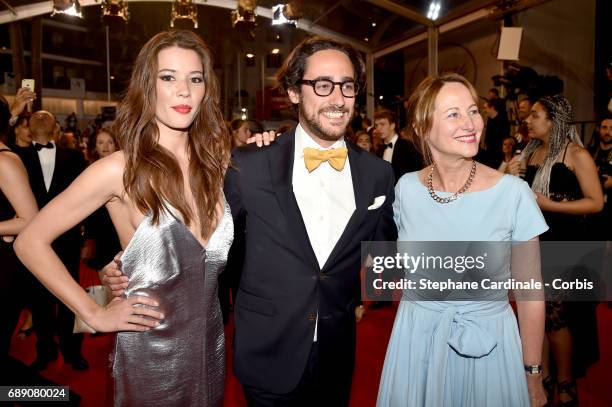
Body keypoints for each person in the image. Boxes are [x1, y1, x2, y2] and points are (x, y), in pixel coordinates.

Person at [106, 35, 397, 407]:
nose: (337, 99)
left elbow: (385, 258)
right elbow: (206, 243)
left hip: (336, 353)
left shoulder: (379, 175)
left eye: (347, 86)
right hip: (267, 349)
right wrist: (130, 264)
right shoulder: (249, 165)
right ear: (294, 92)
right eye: (322, 85)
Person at [15, 29, 233, 406]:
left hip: (210, 346)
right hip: (150, 349)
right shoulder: (119, 169)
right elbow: (30, 242)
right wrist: (94, 315)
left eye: (195, 79)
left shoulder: (217, 165)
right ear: (148, 87)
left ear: (206, 90)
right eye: (168, 77)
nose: (184, 90)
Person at [377, 73, 548, 407]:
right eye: (453, 113)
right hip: (415, 342)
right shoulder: (406, 189)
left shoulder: (512, 194)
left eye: (472, 111)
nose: (471, 122)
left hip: (489, 349)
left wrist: (532, 373)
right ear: (424, 127)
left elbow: (530, 293)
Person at [508, 95, 604, 405]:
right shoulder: (532, 153)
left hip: (567, 243)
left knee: (557, 315)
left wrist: (551, 204)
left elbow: (596, 202)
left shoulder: (576, 154)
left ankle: (566, 383)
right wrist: (511, 177)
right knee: (537, 311)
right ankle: (543, 379)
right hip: (534, 241)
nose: (528, 119)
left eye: (535, 115)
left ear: (553, 120)